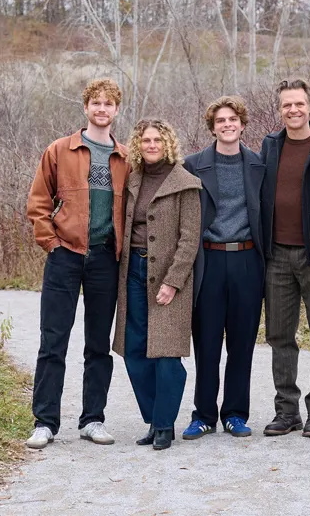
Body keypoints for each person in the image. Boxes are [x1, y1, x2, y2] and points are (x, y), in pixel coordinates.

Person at [25, 78, 130, 449]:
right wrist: (51, 243)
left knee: (98, 344)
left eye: (108, 104)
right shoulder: (59, 150)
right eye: (95, 103)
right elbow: (38, 202)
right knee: (53, 341)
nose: (102, 109)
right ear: (85, 107)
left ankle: (93, 419)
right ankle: (45, 422)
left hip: (105, 259)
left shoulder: (126, 158)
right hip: (65, 256)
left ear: (117, 110)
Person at [112, 119, 202, 451]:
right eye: (146, 140)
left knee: (166, 353)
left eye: (158, 140)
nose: (152, 145)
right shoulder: (131, 180)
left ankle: (165, 424)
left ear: (168, 144)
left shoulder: (186, 183)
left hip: (168, 275)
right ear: (138, 145)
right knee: (133, 349)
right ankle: (153, 419)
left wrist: (173, 282)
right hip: (133, 271)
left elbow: (189, 239)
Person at [182, 95, 265, 440]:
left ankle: (234, 413)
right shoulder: (192, 165)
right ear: (212, 127)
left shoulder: (259, 165)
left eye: (233, 119)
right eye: (220, 121)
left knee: (243, 343)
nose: (227, 125)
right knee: (207, 342)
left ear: (243, 124)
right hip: (209, 259)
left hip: (247, 259)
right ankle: (203, 415)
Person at [259, 79, 310, 437]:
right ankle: (286, 411)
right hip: (276, 257)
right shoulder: (270, 146)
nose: (293, 110)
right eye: (287, 105)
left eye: (299, 104)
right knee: (279, 336)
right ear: (280, 110)